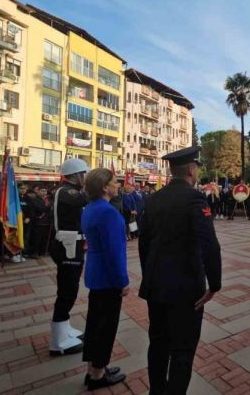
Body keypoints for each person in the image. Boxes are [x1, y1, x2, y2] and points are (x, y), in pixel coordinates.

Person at [138, 146, 222, 394]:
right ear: (190, 169)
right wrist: (214, 284)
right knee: (182, 351)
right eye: (196, 167)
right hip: (186, 289)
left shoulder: (153, 199)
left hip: (157, 286)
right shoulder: (195, 199)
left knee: (158, 344)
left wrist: (149, 276)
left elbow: (144, 243)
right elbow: (209, 244)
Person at [81, 168, 128, 390]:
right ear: (104, 187)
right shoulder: (108, 213)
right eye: (115, 182)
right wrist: (122, 281)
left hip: (95, 272)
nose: (118, 185)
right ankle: (98, 375)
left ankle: (93, 367)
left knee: (94, 323)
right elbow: (114, 252)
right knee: (105, 327)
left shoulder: (90, 208)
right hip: (108, 277)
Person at [49, 159, 89, 356]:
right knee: (67, 290)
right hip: (67, 245)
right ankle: (58, 341)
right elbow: (83, 200)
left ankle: (64, 328)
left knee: (70, 287)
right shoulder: (66, 192)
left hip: (73, 243)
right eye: (84, 174)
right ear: (76, 174)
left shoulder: (69, 191)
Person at [18, 183, 35, 261]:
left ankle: (23, 253)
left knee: (25, 238)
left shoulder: (28, 198)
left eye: (24, 188)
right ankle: (16, 253)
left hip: (26, 222)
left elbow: (32, 210)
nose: (23, 190)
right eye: (21, 188)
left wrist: (29, 218)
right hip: (17, 222)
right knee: (17, 237)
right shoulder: (15, 197)